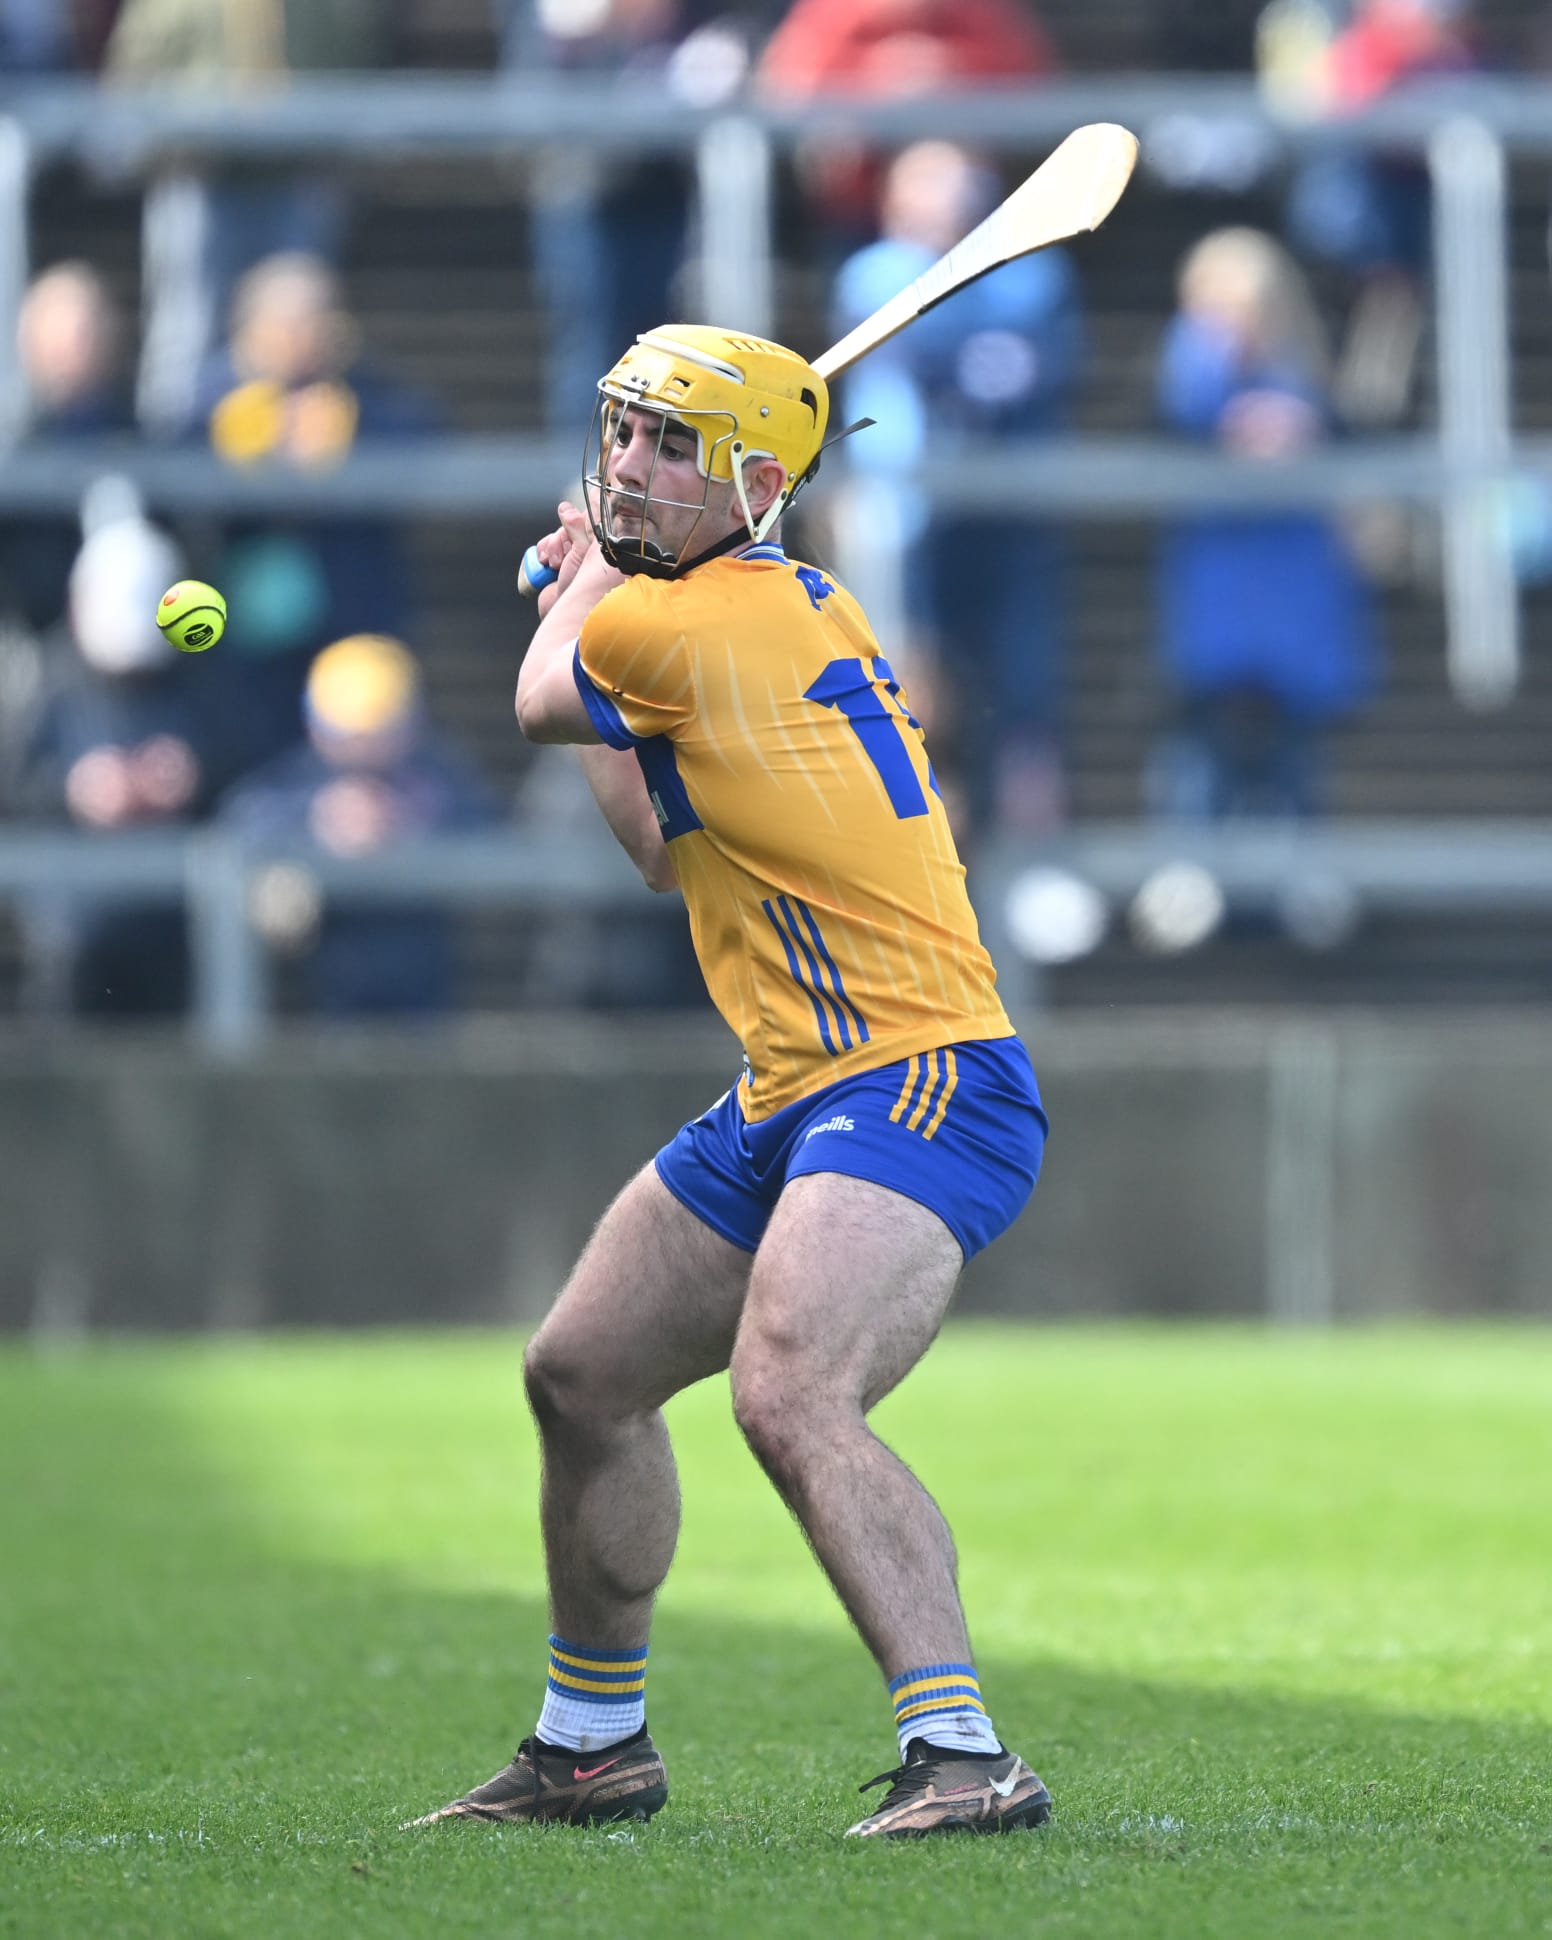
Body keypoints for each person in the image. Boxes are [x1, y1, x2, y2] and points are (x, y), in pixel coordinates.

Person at [402, 327, 1051, 1839]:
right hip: (793, 1085)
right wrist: (592, 593)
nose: (629, 466)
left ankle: (963, 1754)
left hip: (919, 1073)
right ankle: (590, 1746)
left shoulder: (695, 620)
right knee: (582, 1374)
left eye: (672, 447)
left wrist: (578, 582)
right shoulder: (759, 603)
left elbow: (539, 699)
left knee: (791, 1390)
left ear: (758, 484)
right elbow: (653, 839)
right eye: (625, 432)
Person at [831, 140, 1083, 839]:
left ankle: (1034, 851)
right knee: (910, 685)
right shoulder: (873, 272)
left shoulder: (1034, 275)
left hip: (1012, 504)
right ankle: (921, 842)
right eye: (930, 181)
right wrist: (973, 351)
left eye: (959, 179)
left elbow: (1038, 364)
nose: (952, 194)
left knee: (1026, 686)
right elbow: (935, 348)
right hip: (905, 515)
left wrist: (970, 355)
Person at [1150, 227, 1379, 823]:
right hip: (1219, 609)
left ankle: (1296, 874)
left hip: (1294, 606)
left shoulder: (1304, 377)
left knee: (1293, 772)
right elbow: (1183, 410)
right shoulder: (1189, 370)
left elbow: (1340, 451)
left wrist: (1297, 429)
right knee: (1203, 768)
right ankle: (1194, 869)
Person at [218, 632, 501, 1017]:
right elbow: (236, 827)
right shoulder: (293, 784)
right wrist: (314, 823)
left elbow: (493, 835)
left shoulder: (441, 782)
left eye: (379, 733)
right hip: (321, 998)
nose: (363, 751)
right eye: (347, 735)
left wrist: (416, 824)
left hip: (423, 996)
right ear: (314, 724)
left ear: (413, 724)